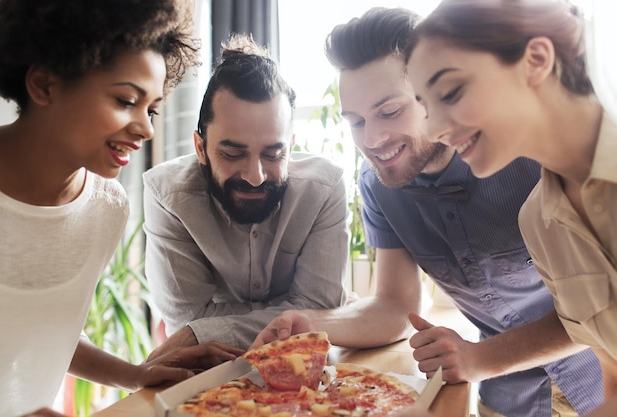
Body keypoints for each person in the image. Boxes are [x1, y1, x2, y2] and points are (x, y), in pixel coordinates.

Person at [253, 7, 606, 417]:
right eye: (355, 121)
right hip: (508, 401)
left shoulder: (531, 154)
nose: (373, 138)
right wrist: (313, 322)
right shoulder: (378, 186)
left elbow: (599, 308)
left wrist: (480, 359)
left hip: (602, 379)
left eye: (389, 112)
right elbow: (394, 306)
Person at [0, 1, 245, 416]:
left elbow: (43, 329)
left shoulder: (105, 209)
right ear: (44, 84)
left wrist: (134, 375)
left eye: (152, 108)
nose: (146, 128)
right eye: (126, 100)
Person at [405, 1, 617, 416]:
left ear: (536, 59)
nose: (433, 128)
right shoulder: (538, 222)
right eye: (427, 107)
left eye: (450, 93)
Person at [142, 34, 349, 358]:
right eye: (233, 154)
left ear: (290, 147)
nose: (256, 176)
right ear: (201, 148)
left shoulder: (324, 189)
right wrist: (293, 314)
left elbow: (318, 307)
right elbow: (189, 319)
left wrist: (202, 333)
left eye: (272, 154)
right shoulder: (167, 197)